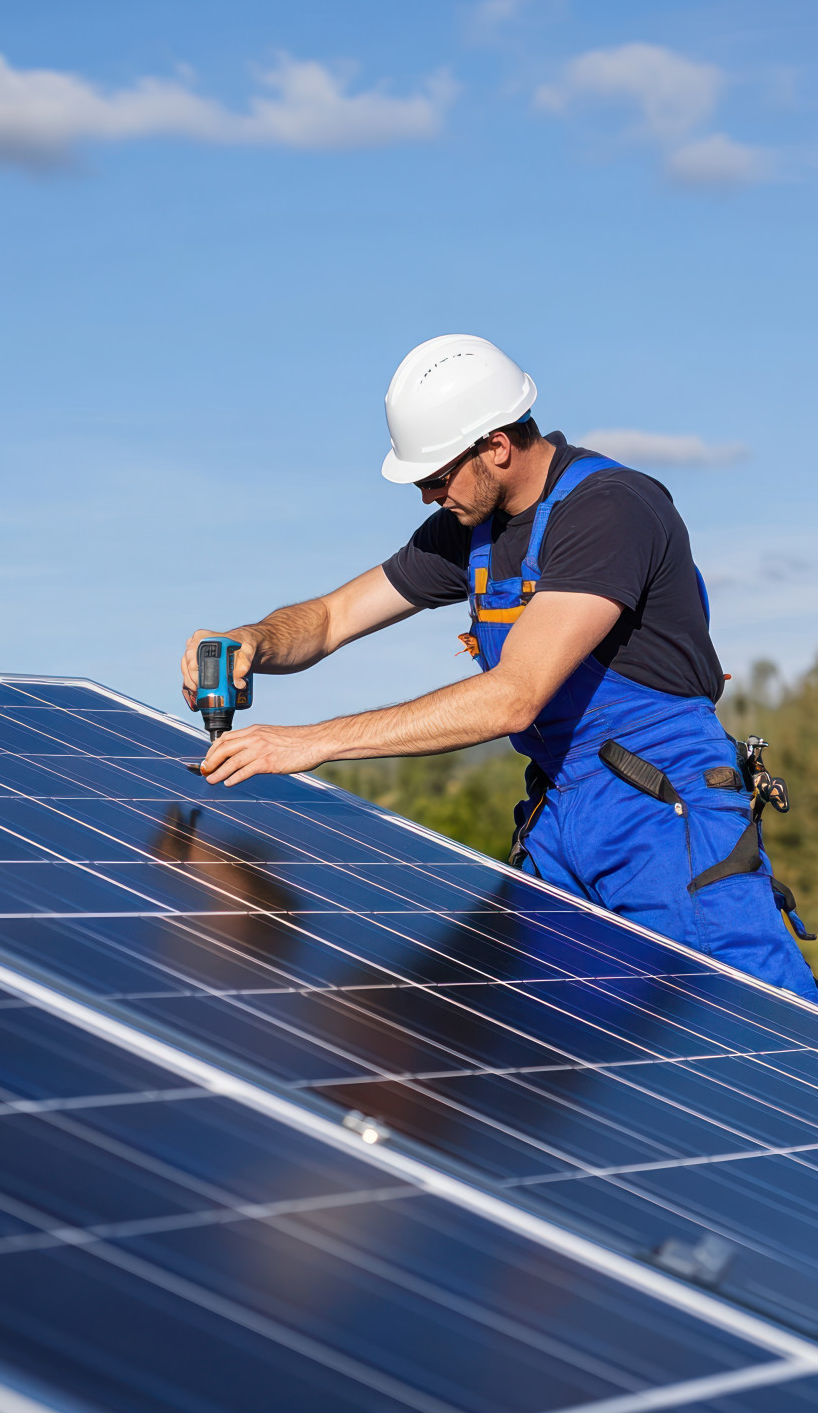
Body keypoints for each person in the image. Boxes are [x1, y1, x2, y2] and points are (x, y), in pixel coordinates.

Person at [182, 333, 814, 998]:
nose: (427, 495)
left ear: (497, 446)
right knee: (559, 1066)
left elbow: (514, 696)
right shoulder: (470, 529)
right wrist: (253, 637)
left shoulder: (609, 509)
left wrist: (312, 740)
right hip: (559, 817)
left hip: (664, 815)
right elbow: (335, 617)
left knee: (756, 1037)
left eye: (435, 475)